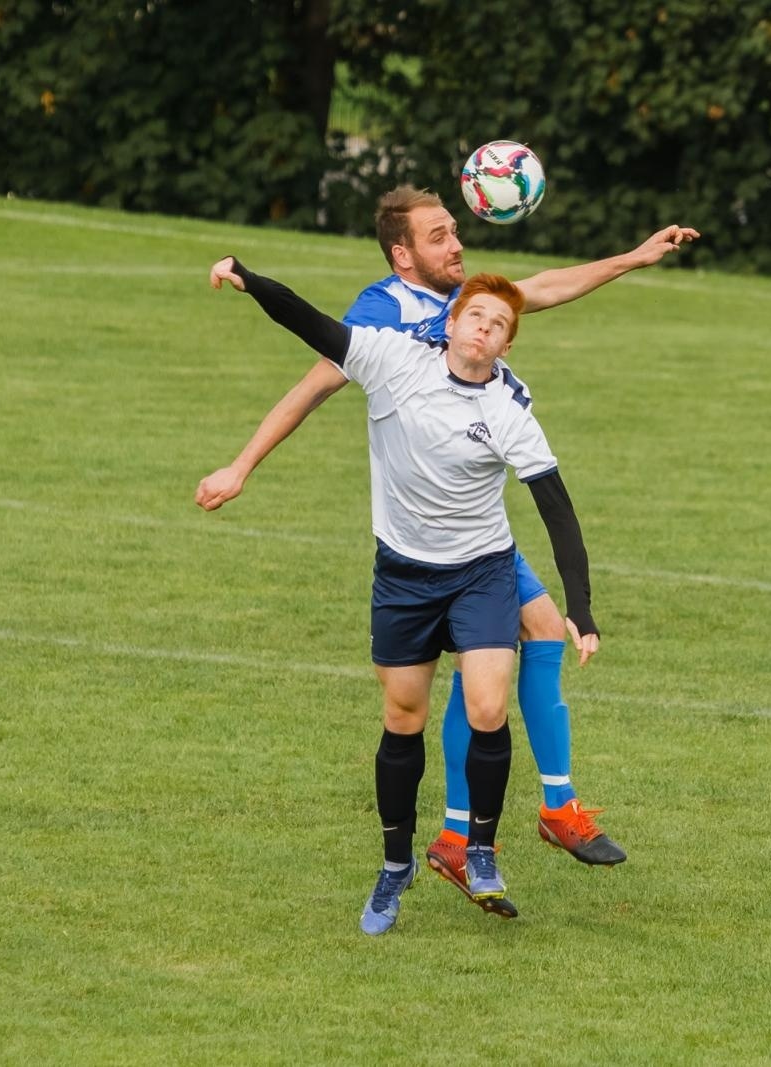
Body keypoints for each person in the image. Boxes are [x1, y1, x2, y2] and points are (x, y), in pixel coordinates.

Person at [201, 187, 697, 901]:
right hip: (424, 533)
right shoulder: (382, 315)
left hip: (478, 531)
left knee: (537, 627)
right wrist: (241, 465)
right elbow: (311, 383)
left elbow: (544, 287)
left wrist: (637, 256)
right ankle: (478, 831)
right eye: (440, 236)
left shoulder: (466, 301)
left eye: (455, 230)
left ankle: (522, 818)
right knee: (491, 656)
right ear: (403, 253)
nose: (456, 245)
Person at [199, 258, 598, 934]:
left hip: (482, 572)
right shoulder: (392, 358)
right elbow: (312, 324)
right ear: (452, 322)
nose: (485, 329)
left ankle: (477, 851)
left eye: (499, 325)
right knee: (404, 716)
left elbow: (558, 510)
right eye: (476, 315)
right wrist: (248, 278)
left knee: (488, 704)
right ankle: (394, 865)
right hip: (405, 576)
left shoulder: (509, 409)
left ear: (506, 344)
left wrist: (581, 609)